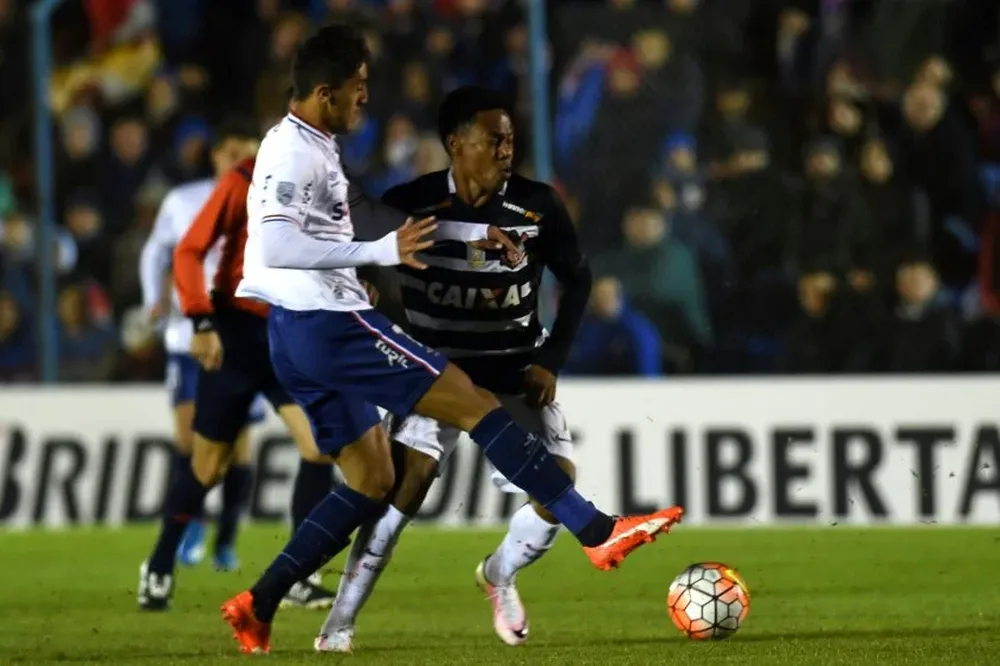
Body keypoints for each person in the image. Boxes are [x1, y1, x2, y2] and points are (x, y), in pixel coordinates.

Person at [219, 24, 684, 655]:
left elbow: (366, 215)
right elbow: (274, 244)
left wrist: (466, 238)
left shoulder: (315, 145)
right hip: (329, 324)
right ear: (324, 91)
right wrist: (377, 253)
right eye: (357, 87)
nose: (366, 98)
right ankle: (596, 529)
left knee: (368, 480)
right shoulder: (295, 153)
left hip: (295, 333)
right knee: (475, 405)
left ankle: (259, 602)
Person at [316, 85, 628, 652]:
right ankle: (337, 624)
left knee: (557, 483)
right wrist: (364, 284)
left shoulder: (538, 207)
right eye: (494, 138)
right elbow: (361, 258)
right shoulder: (409, 203)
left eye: (510, 138)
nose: (508, 148)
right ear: (457, 144)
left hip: (513, 369)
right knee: (404, 489)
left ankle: (499, 574)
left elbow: (578, 280)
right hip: (435, 372)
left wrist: (551, 359)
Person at [137, 140, 341, 613]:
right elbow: (188, 251)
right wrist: (201, 321)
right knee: (207, 466)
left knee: (318, 446)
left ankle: (296, 574)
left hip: (287, 333)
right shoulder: (242, 181)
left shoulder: (323, 181)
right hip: (237, 337)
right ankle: (160, 562)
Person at [138, 121, 263, 573]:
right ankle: (190, 528)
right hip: (187, 336)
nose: (237, 160)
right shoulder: (183, 200)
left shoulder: (264, 194)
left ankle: (226, 541)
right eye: (230, 151)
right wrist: (154, 298)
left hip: (243, 334)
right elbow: (157, 252)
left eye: (245, 151)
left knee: (240, 449)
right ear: (214, 155)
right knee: (191, 439)